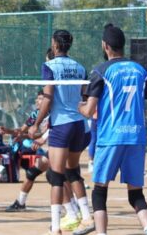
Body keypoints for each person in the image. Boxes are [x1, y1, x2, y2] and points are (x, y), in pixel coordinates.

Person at [79, 23, 147, 235]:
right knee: (135, 194)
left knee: (99, 191)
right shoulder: (140, 70)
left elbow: (89, 111)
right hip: (135, 138)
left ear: (105, 45)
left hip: (111, 138)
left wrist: (77, 105)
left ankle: (102, 233)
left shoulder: (101, 71)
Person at [29, 30, 94, 235]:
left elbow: (47, 98)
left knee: (55, 176)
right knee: (72, 172)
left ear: (55, 44)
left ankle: (56, 228)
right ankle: (87, 217)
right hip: (79, 124)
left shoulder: (49, 66)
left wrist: (36, 124)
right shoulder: (80, 67)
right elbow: (84, 97)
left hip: (62, 124)